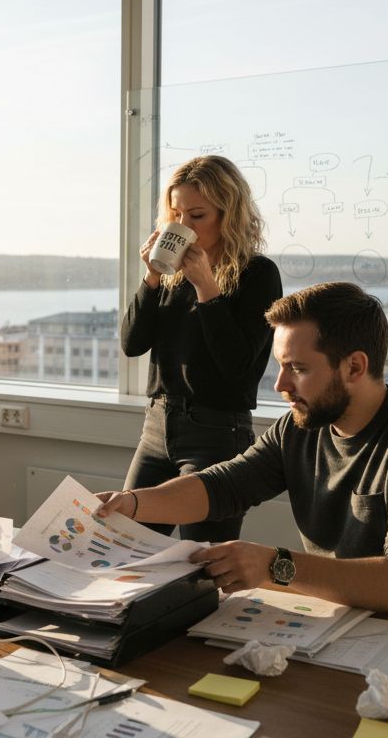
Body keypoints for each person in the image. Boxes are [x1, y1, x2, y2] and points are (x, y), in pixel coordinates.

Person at [98, 282, 388, 622]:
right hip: (341, 626)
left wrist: (273, 565)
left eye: (297, 368)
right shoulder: (303, 425)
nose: (280, 384)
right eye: (280, 367)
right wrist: (130, 504)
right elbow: (225, 485)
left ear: (354, 367)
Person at [120, 155, 282, 543]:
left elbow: (239, 368)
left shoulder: (257, 275)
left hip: (217, 432)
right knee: (120, 545)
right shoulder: (171, 277)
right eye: (175, 214)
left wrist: (208, 289)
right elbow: (132, 343)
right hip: (157, 427)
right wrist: (153, 276)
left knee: (204, 562)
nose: (182, 227)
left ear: (229, 215)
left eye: (197, 216)